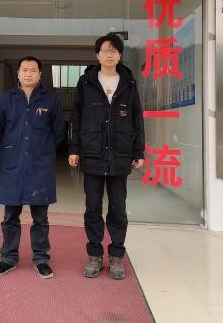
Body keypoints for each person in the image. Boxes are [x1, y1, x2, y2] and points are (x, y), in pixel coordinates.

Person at [68, 34, 145, 280]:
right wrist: (74, 148)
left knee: (118, 208)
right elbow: (76, 117)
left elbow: (137, 117)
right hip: (92, 152)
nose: (109, 55)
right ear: (97, 55)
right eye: (105, 51)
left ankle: (116, 256)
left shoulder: (128, 83)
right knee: (92, 207)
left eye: (114, 51)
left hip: (120, 153)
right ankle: (94, 255)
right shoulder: (86, 82)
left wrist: (139, 151)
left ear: (120, 55)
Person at [0, 56, 65, 279]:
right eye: (24, 69)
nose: (28, 73)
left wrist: (44, 150)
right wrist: (0, 157)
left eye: (33, 70)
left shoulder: (50, 100)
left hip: (39, 165)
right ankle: (8, 257)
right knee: (10, 215)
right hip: (11, 163)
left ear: (40, 74)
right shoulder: (5, 99)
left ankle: (41, 259)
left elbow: (59, 131)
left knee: (40, 217)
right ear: (18, 73)